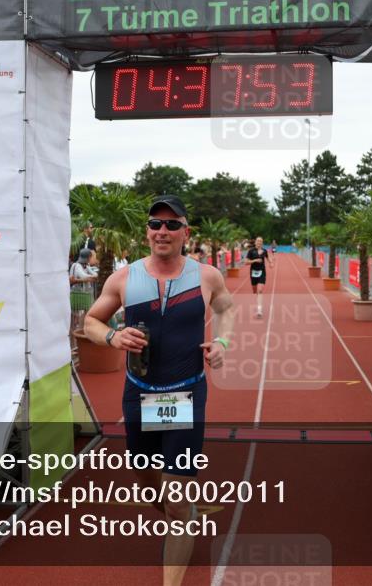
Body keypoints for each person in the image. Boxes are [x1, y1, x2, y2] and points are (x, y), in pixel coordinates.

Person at [83, 195, 236, 586]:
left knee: (177, 498)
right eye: (155, 224)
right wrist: (114, 336)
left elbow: (225, 309)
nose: (162, 231)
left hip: (185, 393)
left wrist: (222, 344)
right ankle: (180, 515)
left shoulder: (206, 276)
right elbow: (91, 322)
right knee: (145, 477)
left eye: (172, 224)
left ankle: (177, 553)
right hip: (139, 393)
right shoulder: (123, 278)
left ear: (186, 232)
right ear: (147, 232)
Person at [69, 248, 98, 332]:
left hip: (83, 295)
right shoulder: (77, 265)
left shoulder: (86, 266)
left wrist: (89, 278)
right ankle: (75, 334)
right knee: (75, 317)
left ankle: (81, 331)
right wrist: (88, 278)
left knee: (84, 314)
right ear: (88, 257)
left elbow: (95, 275)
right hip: (77, 294)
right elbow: (84, 276)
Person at [245, 236, 274, 317]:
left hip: (262, 272)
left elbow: (268, 258)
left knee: (260, 290)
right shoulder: (251, 251)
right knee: (255, 291)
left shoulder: (264, 251)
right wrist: (255, 260)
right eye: (258, 241)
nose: (259, 242)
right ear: (255, 242)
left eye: (260, 241)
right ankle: (256, 293)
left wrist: (271, 263)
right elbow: (246, 262)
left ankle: (259, 310)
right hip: (253, 272)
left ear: (262, 243)